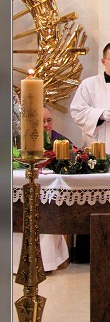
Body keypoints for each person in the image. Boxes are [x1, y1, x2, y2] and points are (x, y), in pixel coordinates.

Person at [13, 106, 70, 273]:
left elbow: (73, 157)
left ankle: (49, 261)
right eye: (41, 121)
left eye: (49, 120)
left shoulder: (59, 141)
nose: (46, 125)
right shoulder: (18, 141)